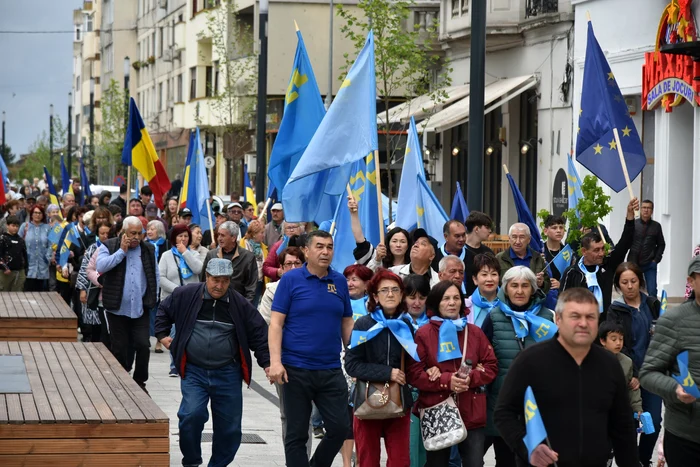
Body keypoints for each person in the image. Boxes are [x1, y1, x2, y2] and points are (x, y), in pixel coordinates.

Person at [494, 288, 639, 467]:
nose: (583, 323)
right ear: (558, 320)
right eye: (575, 316)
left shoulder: (609, 364)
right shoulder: (529, 361)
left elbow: (622, 426)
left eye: (590, 317)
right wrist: (528, 447)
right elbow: (504, 413)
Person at [156, 258, 270, 467]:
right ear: (206, 277)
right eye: (215, 280)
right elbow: (163, 310)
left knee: (230, 429)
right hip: (194, 371)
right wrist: (163, 335)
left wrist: (268, 364)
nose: (219, 286)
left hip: (228, 372)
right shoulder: (186, 294)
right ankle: (191, 461)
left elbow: (259, 335)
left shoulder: (240, 304)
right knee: (190, 415)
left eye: (225, 281)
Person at [268, 230, 354, 467]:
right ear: (306, 250)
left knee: (340, 428)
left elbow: (346, 321)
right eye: (319, 246)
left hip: (330, 369)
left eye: (329, 246)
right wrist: (275, 362)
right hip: (295, 369)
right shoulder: (290, 280)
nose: (325, 251)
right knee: (296, 434)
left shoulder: (339, 282)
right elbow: (276, 323)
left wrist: (354, 354)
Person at [406, 280, 498, 466]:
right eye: (446, 298)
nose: (452, 302)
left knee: (474, 463)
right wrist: (446, 380)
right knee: (437, 463)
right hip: (438, 408)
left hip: (471, 408)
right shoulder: (424, 334)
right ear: (436, 303)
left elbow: (491, 367)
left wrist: (470, 378)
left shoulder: (474, 332)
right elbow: (414, 374)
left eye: (456, 298)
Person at [481, 266, 555, 467]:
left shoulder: (547, 317)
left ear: (533, 289)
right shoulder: (494, 317)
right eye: (514, 286)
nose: (519, 291)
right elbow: (482, 357)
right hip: (504, 402)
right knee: (505, 460)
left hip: (538, 405)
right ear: (505, 289)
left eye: (525, 286)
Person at [345, 269, 417, 466]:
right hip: (367, 399)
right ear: (375, 296)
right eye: (384, 290)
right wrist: (388, 373)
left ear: (402, 294)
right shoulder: (364, 324)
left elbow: (413, 364)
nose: (390, 294)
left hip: (399, 401)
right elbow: (352, 364)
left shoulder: (405, 326)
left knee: (400, 460)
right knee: (367, 459)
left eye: (395, 289)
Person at [640, 255, 700, 467]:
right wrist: (675, 389)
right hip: (688, 436)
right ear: (691, 281)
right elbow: (648, 374)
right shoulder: (673, 321)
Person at [605, 262, 661, 465]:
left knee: (653, 422)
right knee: (627, 424)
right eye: (624, 282)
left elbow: (661, 338)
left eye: (633, 281)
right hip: (628, 376)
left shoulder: (652, 304)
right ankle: (629, 461)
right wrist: (633, 373)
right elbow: (618, 343)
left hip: (653, 374)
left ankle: (642, 459)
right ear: (618, 285)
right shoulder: (616, 309)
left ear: (640, 281)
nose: (630, 286)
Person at [96, 216, 160, 392]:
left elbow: (155, 274)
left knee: (143, 345)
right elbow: (100, 266)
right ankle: (122, 379)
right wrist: (121, 252)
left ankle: (140, 381)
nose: (136, 237)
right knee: (120, 347)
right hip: (117, 308)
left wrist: (154, 298)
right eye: (133, 233)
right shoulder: (108, 246)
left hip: (140, 308)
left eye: (140, 233)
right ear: (123, 232)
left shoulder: (148, 249)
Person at [561, 198, 639, 319]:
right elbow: (562, 304)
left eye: (602, 249)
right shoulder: (572, 273)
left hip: (603, 327)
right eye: (596, 250)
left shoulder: (607, 265)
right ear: (584, 252)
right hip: (580, 328)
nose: (601, 253)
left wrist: (630, 216)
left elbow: (625, 243)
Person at [201, 221, 257, 302]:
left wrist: (244, 308)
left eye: (223, 235)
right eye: (218, 234)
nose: (219, 238)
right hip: (212, 303)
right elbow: (203, 281)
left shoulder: (248, 257)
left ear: (233, 238)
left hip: (237, 304)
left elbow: (251, 288)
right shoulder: (211, 254)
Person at [77, 221, 113, 344]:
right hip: (92, 290)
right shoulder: (92, 248)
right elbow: (84, 269)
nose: (105, 236)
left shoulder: (115, 247)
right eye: (102, 233)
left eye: (107, 233)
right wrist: (82, 289)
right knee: (94, 328)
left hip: (110, 293)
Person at [598, 321, 643, 415]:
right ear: (603, 341)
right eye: (614, 340)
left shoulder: (627, 362)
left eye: (621, 339)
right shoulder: (594, 359)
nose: (618, 343)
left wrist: (637, 407)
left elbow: (632, 388)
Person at [497, 223, 550, 294]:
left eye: (522, 237)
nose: (517, 241)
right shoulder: (499, 258)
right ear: (509, 239)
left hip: (533, 302)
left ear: (529, 239)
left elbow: (547, 286)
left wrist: (541, 284)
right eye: (514, 237)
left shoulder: (537, 258)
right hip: (506, 302)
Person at [627, 200, 665, 298]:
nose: (646, 210)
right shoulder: (634, 224)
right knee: (632, 290)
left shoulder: (656, 226)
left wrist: (656, 260)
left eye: (648, 208)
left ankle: (653, 312)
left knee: (652, 291)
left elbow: (661, 244)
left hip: (649, 264)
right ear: (640, 209)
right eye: (644, 207)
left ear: (652, 211)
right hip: (633, 263)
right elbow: (626, 241)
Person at [19, 205, 51, 292]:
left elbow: (50, 245)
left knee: (42, 294)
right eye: (35, 213)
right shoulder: (25, 226)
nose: (37, 215)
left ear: (43, 215)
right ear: (31, 214)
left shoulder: (47, 228)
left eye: (40, 213)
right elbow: (18, 243)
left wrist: (48, 257)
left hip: (43, 266)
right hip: (28, 265)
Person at [463, 211, 495, 296]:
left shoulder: (489, 253)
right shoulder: (459, 250)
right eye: (487, 227)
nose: (490, 231)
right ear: (476, 229)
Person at [465, 253, 501, 328]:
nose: (489, 279)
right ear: (475, 279)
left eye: (494, 274)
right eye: (484, 274)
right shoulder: (466, 306)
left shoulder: (508, 304)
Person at [239, 219, 268, 306]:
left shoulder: (264, 248)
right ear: (254, 234)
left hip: (259, 282)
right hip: (245, 283)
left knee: (253, 308)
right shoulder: (242, 245)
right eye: (261, 233)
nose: (263, 235)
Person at [0, 215, 27, 291]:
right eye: (13, 225)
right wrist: (4, 267)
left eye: (17, 226)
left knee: (18, 293)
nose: (15, 228)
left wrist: (25, 268)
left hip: (19, 272)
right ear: (7, 226)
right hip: (6, 272)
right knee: (4, 293)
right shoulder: (3, 239)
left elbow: (25, 255)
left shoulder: (21, 240)